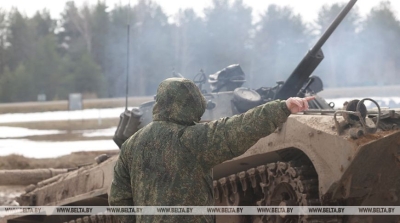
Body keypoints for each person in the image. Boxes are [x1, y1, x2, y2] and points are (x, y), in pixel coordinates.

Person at [109, 77, 314, 223]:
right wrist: (283, 108)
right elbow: (238, 128)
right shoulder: (191, 139)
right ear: (191, 104)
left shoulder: (131, 145)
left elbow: (119, 199)